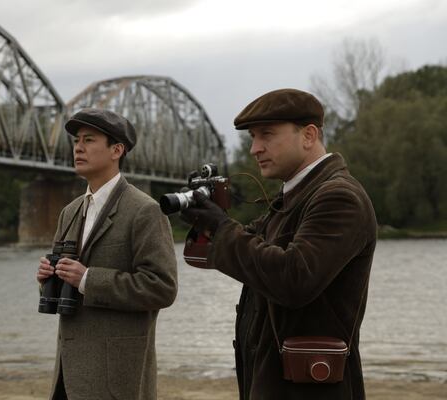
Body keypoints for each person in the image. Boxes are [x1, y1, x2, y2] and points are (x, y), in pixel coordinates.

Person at [181, 88, 377, 399]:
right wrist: (204, 221)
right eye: (252, 138)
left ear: (308, 135)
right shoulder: (295, 197)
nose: (255, 149)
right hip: (282, 383)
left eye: (267, 135)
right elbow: (224, 257)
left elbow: (293, 278)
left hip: (310, 390)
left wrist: (220, 227)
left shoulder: (339, 197)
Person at [36, 108, 178, 400]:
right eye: (76, 140)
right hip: (67, 373)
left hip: (116, 378)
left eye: (89, 140)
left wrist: (88, 278)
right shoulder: (70, 212)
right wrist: (48, 278)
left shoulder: (144, 210)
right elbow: (69, 284)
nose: (78, 147)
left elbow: (162, 288)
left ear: (117, 150)